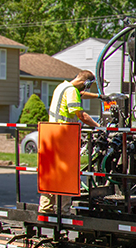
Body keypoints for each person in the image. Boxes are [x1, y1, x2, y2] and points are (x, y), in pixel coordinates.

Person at [39, 70, 102, 214]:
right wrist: (100, 127)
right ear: (85, 83)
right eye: (87, 86)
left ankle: (46, 208)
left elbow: (81, 95)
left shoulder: (62, 87)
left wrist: (100, 96)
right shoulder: (72, 91)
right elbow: (82, 115)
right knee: (67, 174)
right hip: (64, 136)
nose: (86, 90)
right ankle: (64, 210)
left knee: (51, 173)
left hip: (51, 134)